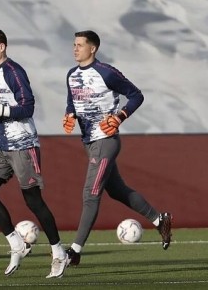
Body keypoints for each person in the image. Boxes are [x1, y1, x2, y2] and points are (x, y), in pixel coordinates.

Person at [62, 30, 173, 266]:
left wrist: (121, 116)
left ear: (92, 49)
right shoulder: (71, 75)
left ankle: (74, 251)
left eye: (80, 45)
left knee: (90, 194)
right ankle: (159, 219)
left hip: (106, 141)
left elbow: (136, 95)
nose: (75, 49)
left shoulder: (107, 73)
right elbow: (72, 100)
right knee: (117, 190)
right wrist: (69, 114)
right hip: (89, 143)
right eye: (74, 44)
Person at [0, 28, 67, 279]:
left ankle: (59, 252)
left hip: (23, 145)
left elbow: (27, 107)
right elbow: (4, 108)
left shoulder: (14, 71)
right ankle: (18, 243)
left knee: (33, 201)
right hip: (1, 146)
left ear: (2, 47)